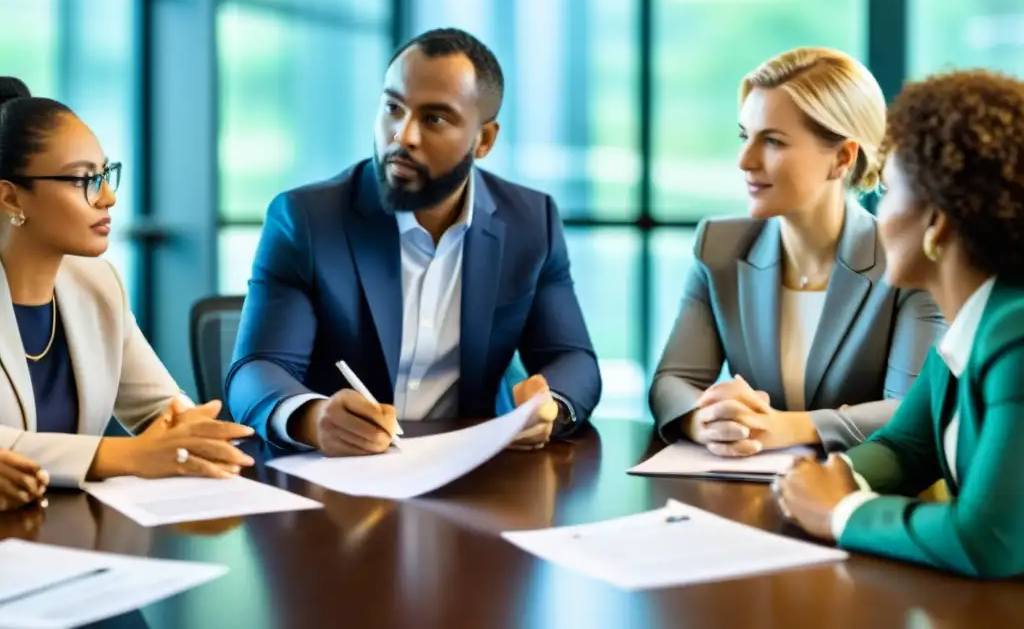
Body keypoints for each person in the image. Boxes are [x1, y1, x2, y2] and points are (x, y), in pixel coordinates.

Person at [226, 28, 601, 455]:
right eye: (393, 108)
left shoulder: (531, 223)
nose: (403, 136)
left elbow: (576, 361)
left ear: (484, 140)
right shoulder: (307, 220)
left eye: (434, 118)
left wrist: (549, 406)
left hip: (469, 473)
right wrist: (313, 417)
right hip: (338, 479)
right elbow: (255, 369)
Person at [777, 70, 1024, 578]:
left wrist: (839, 511)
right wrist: (833, 475)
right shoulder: (970, 326)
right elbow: (906, 447)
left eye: (888, 191)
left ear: (937, 224)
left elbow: (989, 540)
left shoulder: (1016, 336)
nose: (877, 211)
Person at [650, 47, 945, 454]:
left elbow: (912, 410)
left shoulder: (908, 262)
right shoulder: (718, 246)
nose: (744, 160)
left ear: (842, 157)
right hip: (743, 489)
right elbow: (671, 382)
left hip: (862, 497)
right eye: (744, 136)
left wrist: (791, 427)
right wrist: (706, 420)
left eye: (772, 141)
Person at [0, 77, 254, 490]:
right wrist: (127, 455)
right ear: (12, 198)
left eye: (106, 174)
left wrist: (194, 433)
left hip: (75, 535)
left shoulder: (98, 284)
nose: (107, 198)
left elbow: (160, 409)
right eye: (84, 180)